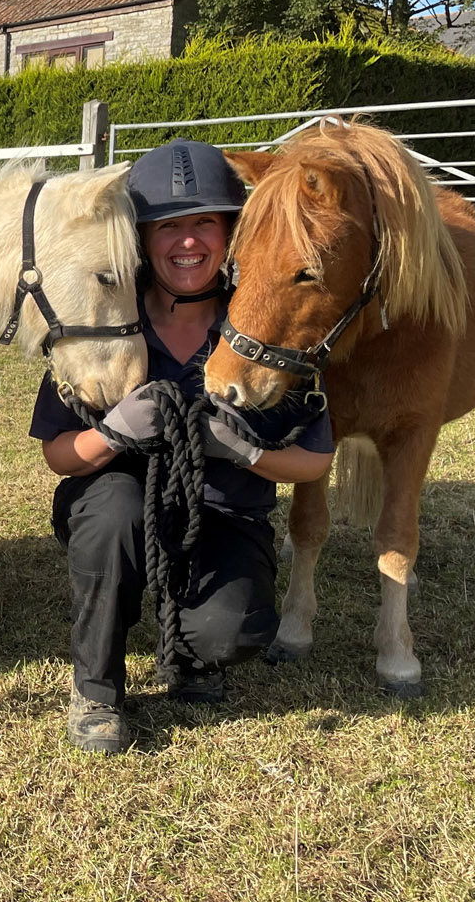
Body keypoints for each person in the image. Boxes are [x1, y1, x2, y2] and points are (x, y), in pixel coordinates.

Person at [28, 139, 335, 754]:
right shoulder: (104, 323)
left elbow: (315, 461)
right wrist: (113, 433)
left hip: (225, 512)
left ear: (230, 234)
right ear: (141, 239)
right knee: (111, 512)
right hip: (124, 505)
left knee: (230, 633)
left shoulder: (269, 327)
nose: (187, 242)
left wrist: (240, 450)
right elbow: (59, 456)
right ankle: (96, 688)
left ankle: (193, 648)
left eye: (204, 224)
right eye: (168, 226)